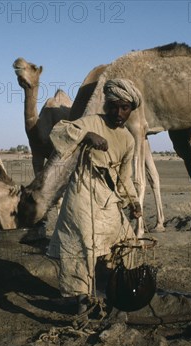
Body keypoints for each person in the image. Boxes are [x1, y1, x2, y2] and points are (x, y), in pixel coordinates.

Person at [46, 79, 143, 317]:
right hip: (83, 192)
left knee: (128, 243)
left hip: (107, 197)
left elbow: (124, 176)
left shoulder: (128, 139)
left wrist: (133, 201)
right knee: (81, 246)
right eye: (113, 106)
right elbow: (57, 132)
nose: (118, 113)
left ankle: (119, 294)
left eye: (124, 108)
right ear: (106, 104)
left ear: (131, 109)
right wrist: (85, 135)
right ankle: (83, 301)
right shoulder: (92, 122)